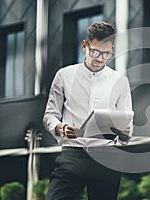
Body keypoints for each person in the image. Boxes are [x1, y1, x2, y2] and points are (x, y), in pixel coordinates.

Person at [43, 21, 133, 200]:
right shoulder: (64, 75)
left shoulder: (120, 81)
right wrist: (60, 128)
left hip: (107, 157)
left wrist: (124, 132)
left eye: (107, 54)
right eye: (95, 52)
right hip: (73, 156)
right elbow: (50, 115)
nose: (100, 58)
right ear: (85, 46)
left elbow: (127, 126)